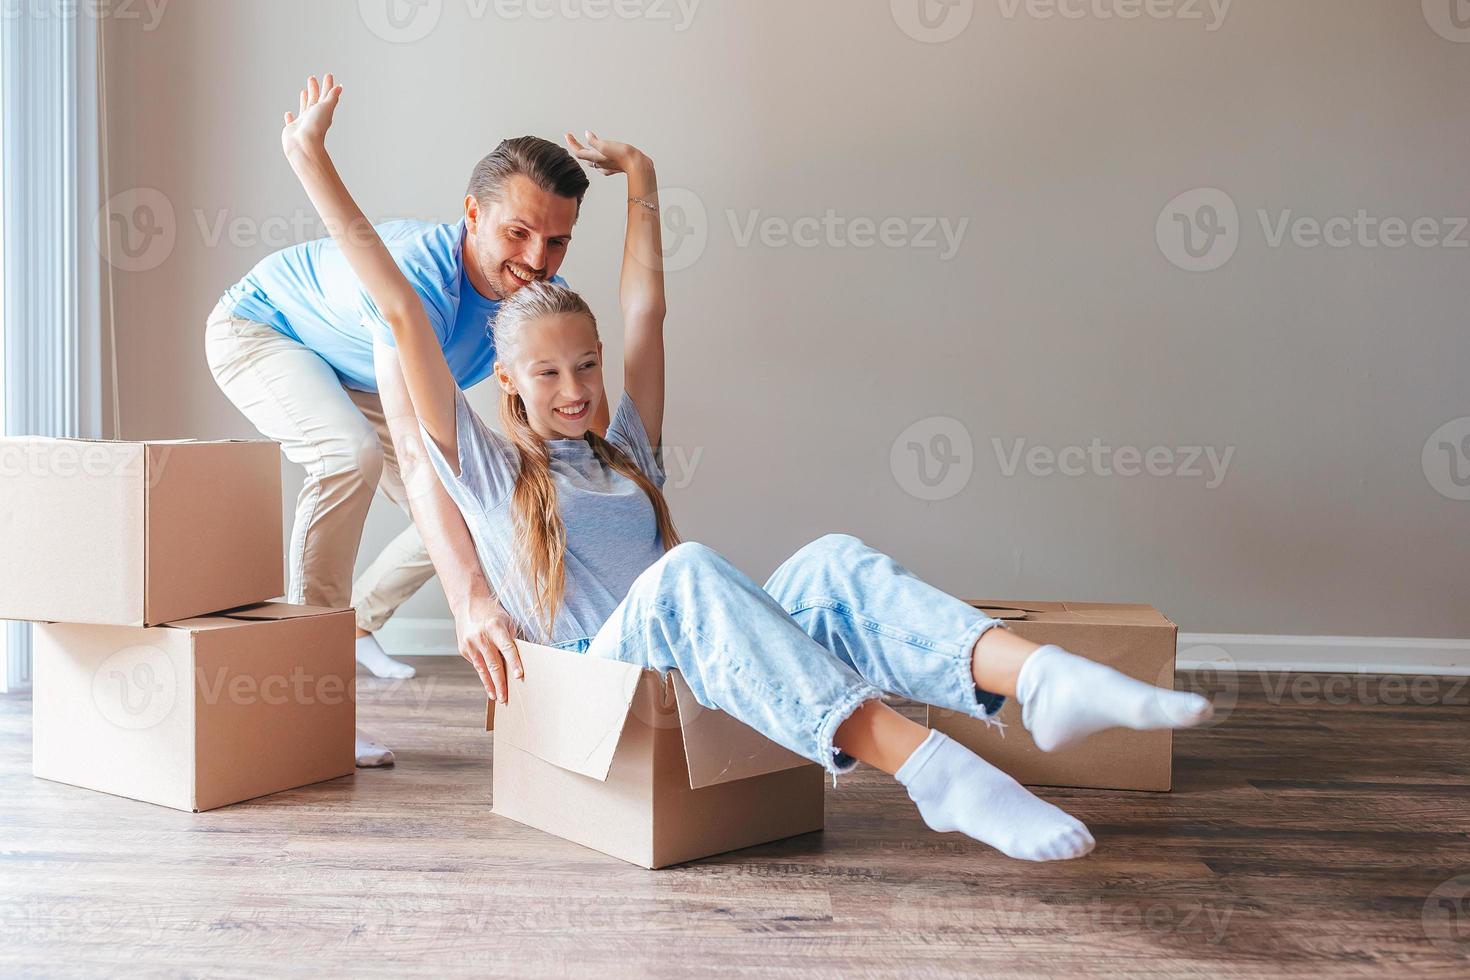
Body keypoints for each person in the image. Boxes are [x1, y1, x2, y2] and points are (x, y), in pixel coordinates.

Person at [282, 74, 1215, 860]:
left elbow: (646, 312)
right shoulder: (485, 470)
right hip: (597, 680)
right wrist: (312, 163)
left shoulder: (626, 452)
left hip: (692, 665)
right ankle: (936, 774)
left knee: (831, 562)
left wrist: (644, 178)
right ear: (511, 390)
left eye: (586, 366)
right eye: (548, 374)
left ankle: (1040, 680)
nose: (574, 388)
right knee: (686, 573)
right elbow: (402, 311)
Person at [206, 94, 599, 767]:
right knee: (347, 456)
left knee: (488, 499)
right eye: (518, 233)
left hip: (352, 371)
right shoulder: (424, 279)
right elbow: (416, 452)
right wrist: (468, 598)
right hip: (263, 329)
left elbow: (499, 436)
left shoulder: (521, 302)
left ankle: (357, 622)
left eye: (557, 240)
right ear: (472, 214)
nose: (538, 258)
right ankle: (313, 700)